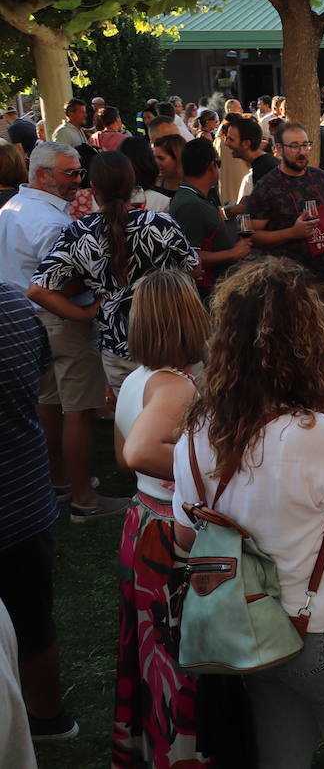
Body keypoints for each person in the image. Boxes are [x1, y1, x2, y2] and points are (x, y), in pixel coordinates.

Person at [171, 257, 324, 768]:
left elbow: (187, 538)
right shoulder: (312, 434)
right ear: (306, 342)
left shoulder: (196, 433)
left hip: (250, 632)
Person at [111, 270, 215, 765]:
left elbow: (118, 453)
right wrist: (208, 466)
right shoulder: (175, 386)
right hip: (167, 537)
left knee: (147, 647)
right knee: (175, 653)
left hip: (139, 520)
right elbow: (136, 452)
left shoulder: (135, 380)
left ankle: (147, 747)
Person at [0, 142, 126, 520]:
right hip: (58, 319)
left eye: (78, 173)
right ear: (41, 175)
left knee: (49, 404)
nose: (78, 181)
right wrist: (89, 306)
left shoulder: (11, 208)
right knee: (79, 409)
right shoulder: (52, 222)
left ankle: (60, 480)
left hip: (23, 321)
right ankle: (84, 499)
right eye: (69, 173)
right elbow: (64, 281)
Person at [29, 152, 199, 400]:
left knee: (134, 428)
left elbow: (38, 290)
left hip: (119, 345)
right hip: (172, 337)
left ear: (94, 187)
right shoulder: (160, 223)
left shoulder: (80, 233)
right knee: (186, 423)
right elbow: (193, 267)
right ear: (132, 184)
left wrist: (85, 313)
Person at [0, 280, 76, 744]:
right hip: (24, 494)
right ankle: (48, 716)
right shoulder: (12, 303)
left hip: (21, 493)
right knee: (32, 615)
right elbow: (42, 381)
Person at [240, 121, 324, 350]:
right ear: (278, 149)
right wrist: (292, 232)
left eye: (305, 145)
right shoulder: (266, 187)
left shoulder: (320, 178)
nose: (302, 151)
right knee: (296, 348)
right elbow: (253, 237)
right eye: (294, 146)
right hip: (287, 284)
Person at [168, 138, 251, 299]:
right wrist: (233, 253)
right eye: (218, 163)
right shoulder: (190, 204)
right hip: (208, 297)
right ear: (211, 167)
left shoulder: (193, 197)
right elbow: (190, 256)